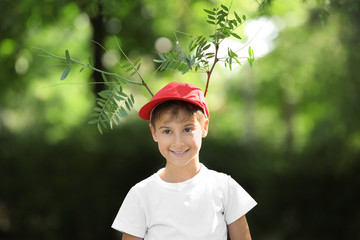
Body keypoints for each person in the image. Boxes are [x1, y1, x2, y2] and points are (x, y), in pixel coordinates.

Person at [112, 82, 257, 240]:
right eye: (167, 131)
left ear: (204, 127)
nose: (178, 142)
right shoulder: (141, 195)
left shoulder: (225, 187)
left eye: (188, 129)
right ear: (154, 133)